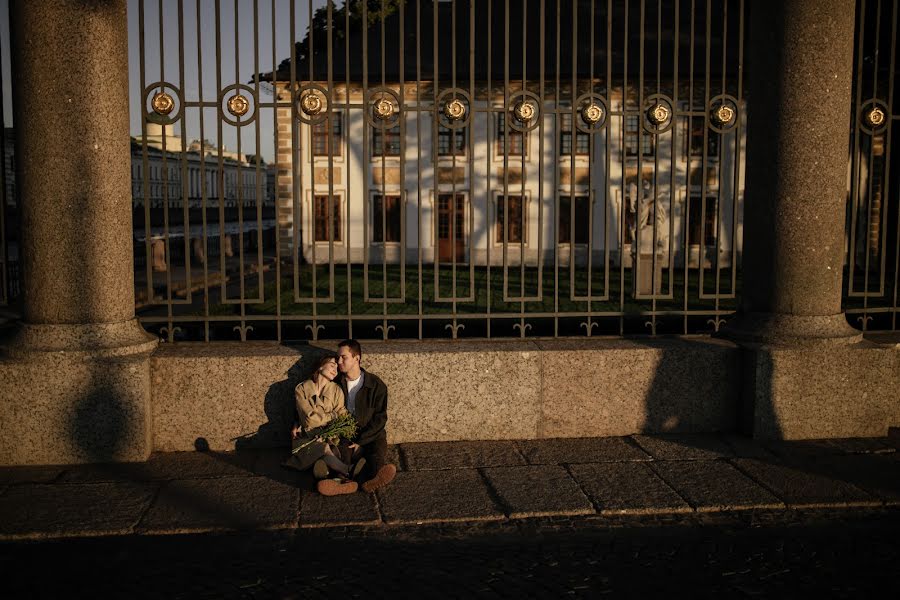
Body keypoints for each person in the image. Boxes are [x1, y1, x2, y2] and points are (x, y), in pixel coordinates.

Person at [284, 354, 363, 496]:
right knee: (323, 448)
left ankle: (332, 479)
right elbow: (309, 420)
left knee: (333, 450)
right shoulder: (301, 389)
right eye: (332, 365)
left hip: (331, 436)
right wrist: (332, 416)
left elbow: (343, 415)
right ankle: (348, 471)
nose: (335, 370)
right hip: (307, 439)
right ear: (320, 366)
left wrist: (351, 428)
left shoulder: (337, 390)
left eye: (337, 368)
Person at [335, 339, 397, 492]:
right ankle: (343, 482)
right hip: (345, 435)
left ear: (357, 358)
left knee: (375, 455)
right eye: (338, 357)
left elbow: (380, 418)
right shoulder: (335, 383)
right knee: (342, 459)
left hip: (372, 434)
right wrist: (297, 421)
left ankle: (373, 478)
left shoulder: (376, 385)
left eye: (344, 357)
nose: (338, 361)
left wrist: (362, 442)